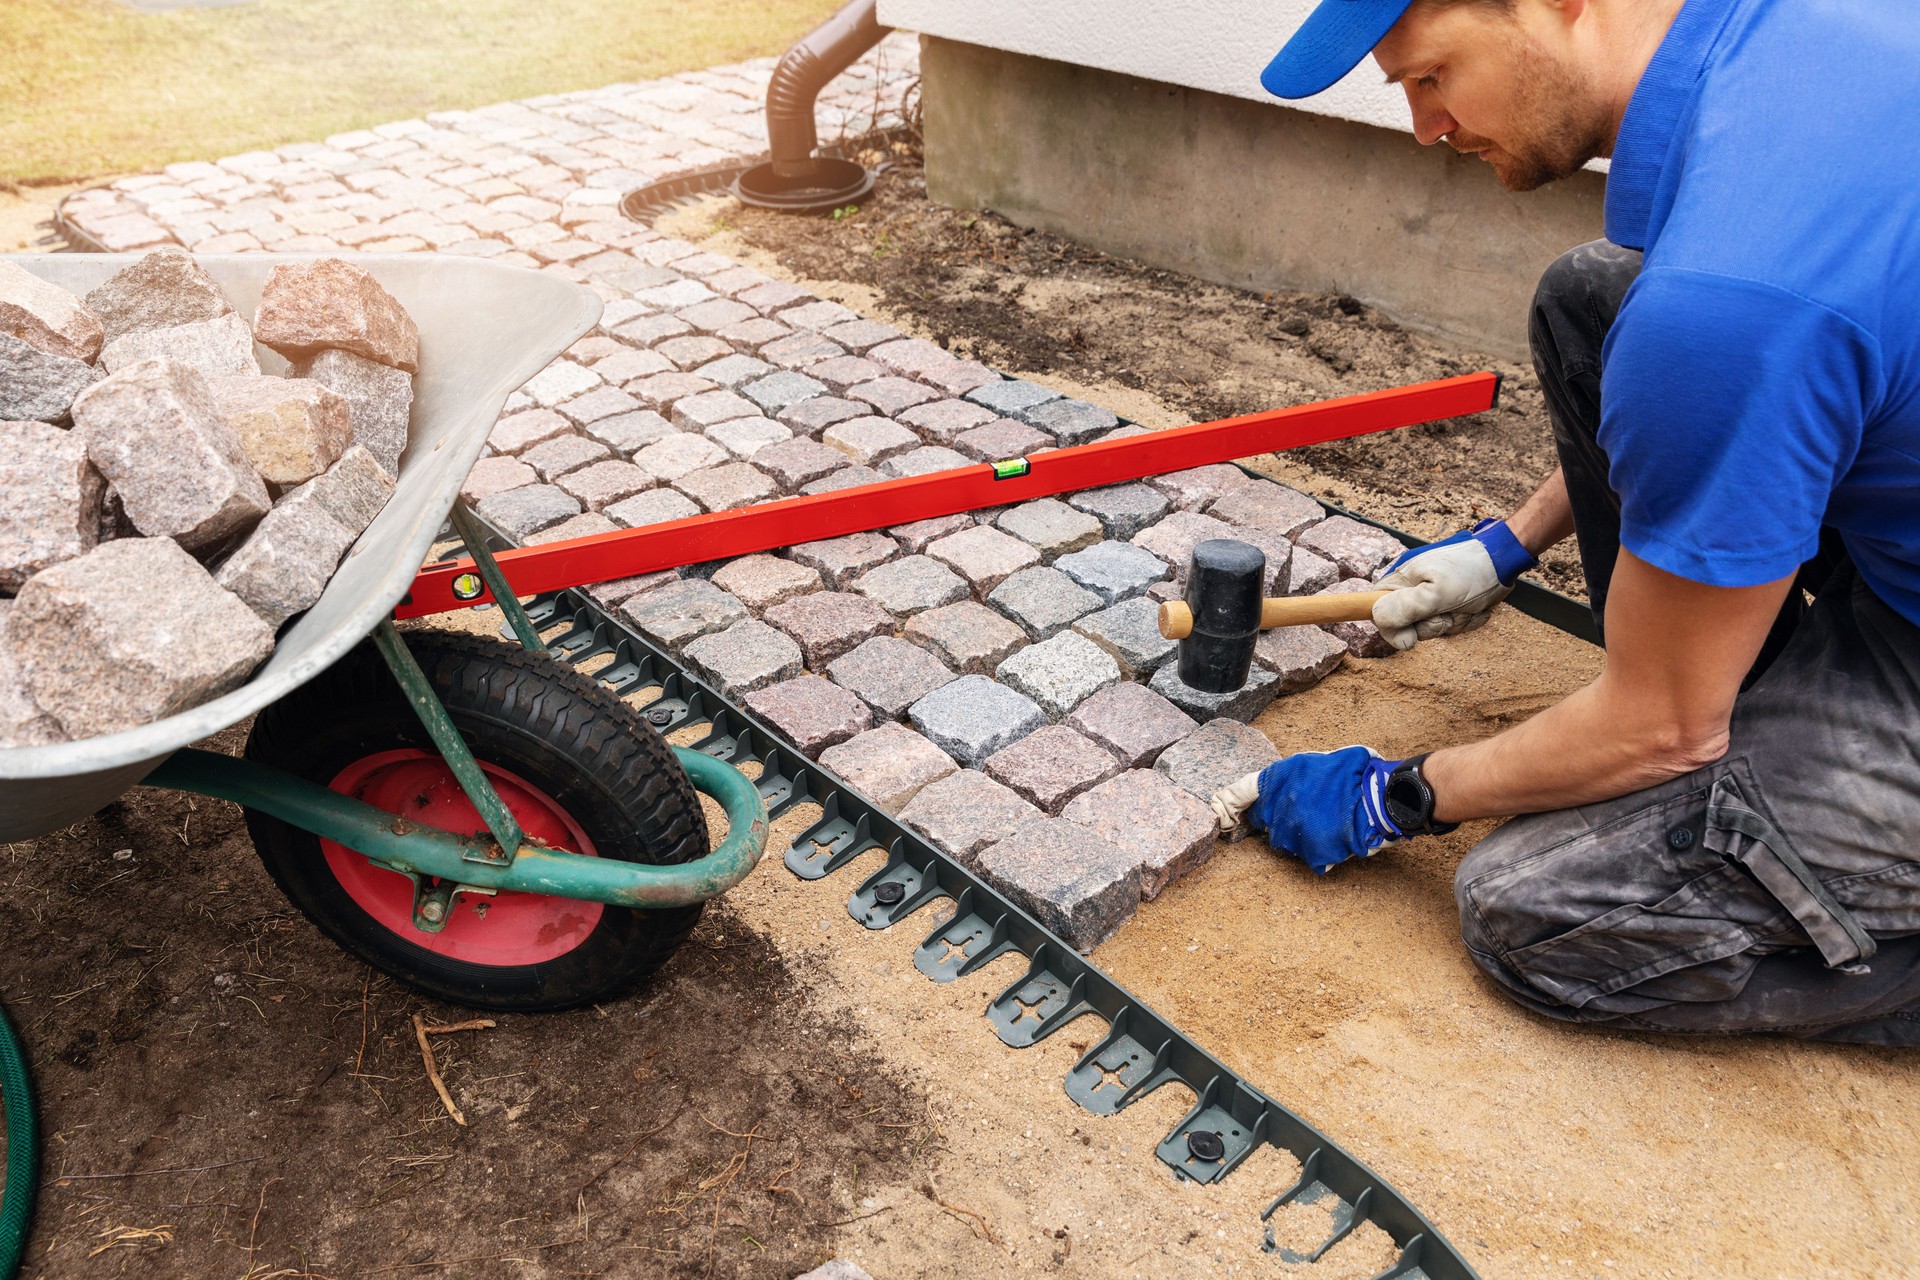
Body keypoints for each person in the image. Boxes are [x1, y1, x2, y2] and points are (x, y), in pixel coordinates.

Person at [1212, 0, 1920, 1043]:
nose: (1425, 128)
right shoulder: (1778, 41)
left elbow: (1664, 726)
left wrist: (1398, 796)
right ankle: (1740, 683)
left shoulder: (1732, 296)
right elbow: (1708, 393)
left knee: (1532, 910)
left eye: (1430, 77)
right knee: (1592, 297)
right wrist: (1504, 545)